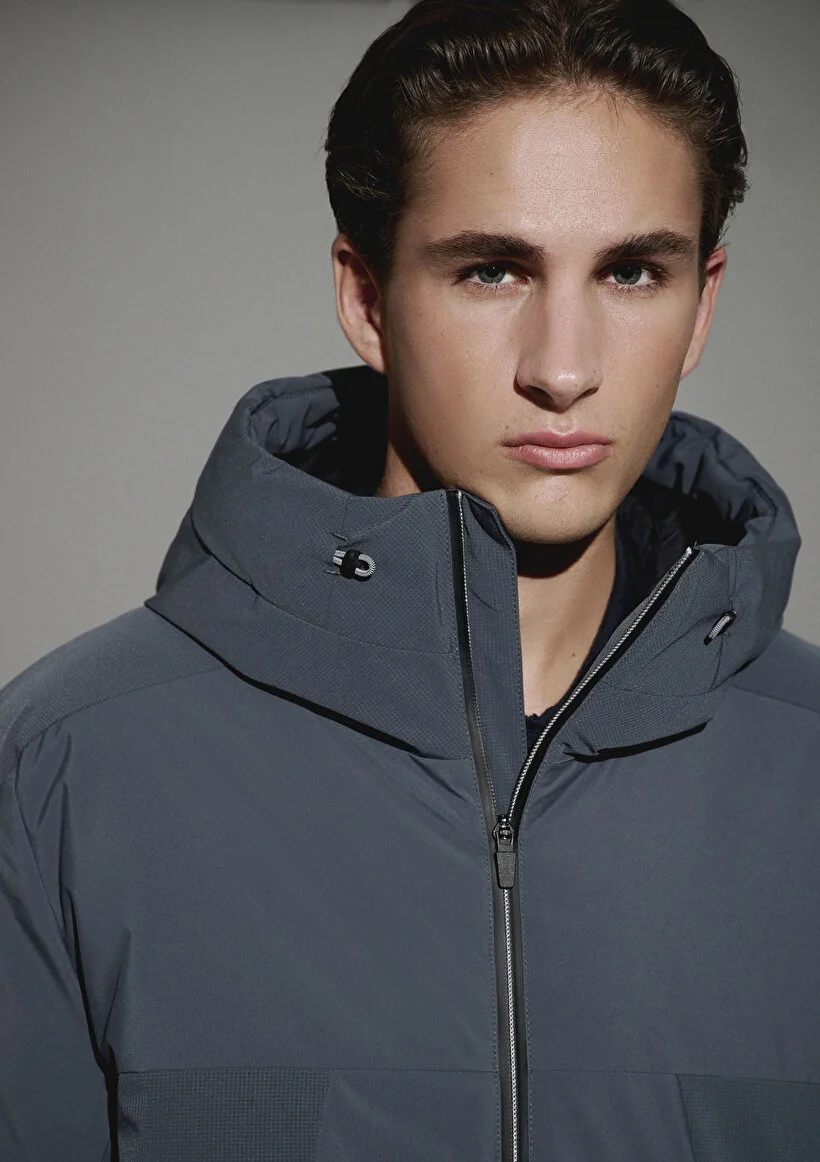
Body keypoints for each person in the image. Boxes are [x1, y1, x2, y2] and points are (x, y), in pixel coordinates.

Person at [2, 0, 819, 1157]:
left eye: (633, 271)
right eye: (492, 271)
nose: (563, 370)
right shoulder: (65, 766)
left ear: (701, 306)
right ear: (366, 298)